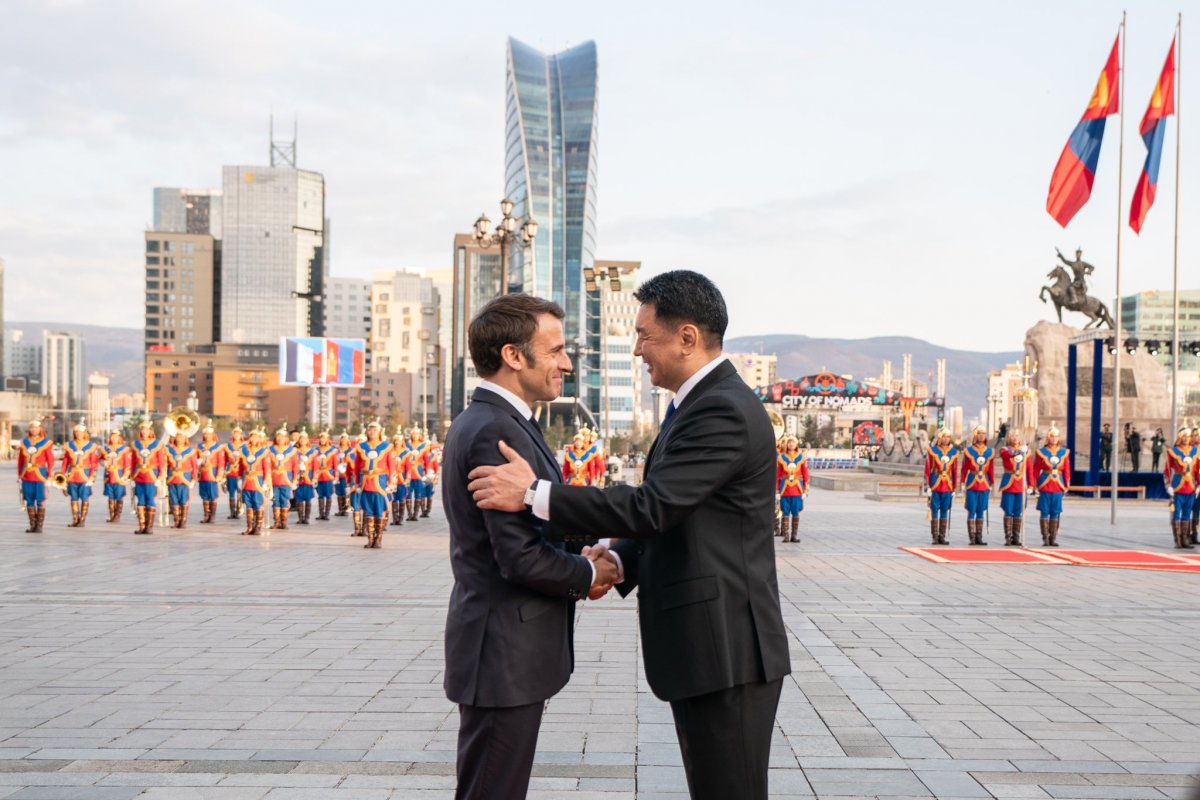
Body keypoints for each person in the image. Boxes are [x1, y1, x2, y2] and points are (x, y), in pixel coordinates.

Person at [467, 274, 790, 800]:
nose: (638, 349)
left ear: (687, 338)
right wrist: (617, 559)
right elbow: (678, 513)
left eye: (644, 335)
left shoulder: (721, 408)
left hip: (727, 647)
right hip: (710, 646)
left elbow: (652, 506)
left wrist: (532, 494)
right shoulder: (694, 404)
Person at [442, 293, 618, 800]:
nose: (567, 364)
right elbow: (518, 556)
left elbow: (537, 523)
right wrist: (590, 574)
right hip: (503, 651)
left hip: (506, 649)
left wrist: (591, 547)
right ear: (514, 356)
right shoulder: (496, 430)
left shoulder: (502, 421)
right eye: (556, 350)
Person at [351, 419, 398, 549]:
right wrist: (356, 482)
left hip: (380, 482)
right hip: (365, 482)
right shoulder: (361, 447)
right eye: (370, 430)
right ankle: (370, 539)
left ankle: (378, 539)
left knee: (379, 511)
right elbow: (356, 466)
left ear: (380, 432)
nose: (372, 432)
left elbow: (392, 466)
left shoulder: (387, 446)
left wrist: (391, 482)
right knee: (368, 511)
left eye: (375, 430)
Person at [1030, 425, 1071, 547]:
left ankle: (1052, 538)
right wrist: (1034, 484)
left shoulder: (1064, 452)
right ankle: (1045, 538)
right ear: (1048, 438)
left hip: (1058, 483)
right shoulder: (1041, 452)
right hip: (1045, 483)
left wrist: (1067, 483)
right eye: (1052, 436)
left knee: (1055, 512)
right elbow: (1036, 469)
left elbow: (1066, 469)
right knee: (1044, 511)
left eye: (1056, 436)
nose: (1054, 439)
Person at [16, 418, 55, 533]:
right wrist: (19, 474)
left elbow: (50, 460)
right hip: (27, 475)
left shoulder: (46, 442)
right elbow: (20, 460)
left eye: (36, 427)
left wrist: (50, 476)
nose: (34, 430)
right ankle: (32, 525)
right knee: (29, 500)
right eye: (32, 427)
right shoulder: (24, 442)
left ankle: (39, 526)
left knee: (40, 500)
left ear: (41, 429)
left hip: (40, 475)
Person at [131, 419, 168, 534]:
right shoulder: (135, 444)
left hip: (151, 476)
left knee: (150, 500)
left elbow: (161, 461)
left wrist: (160, 476)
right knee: (140, 500)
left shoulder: (157, 444)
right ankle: (142, 526)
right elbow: (133, 462)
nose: (144, 432)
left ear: (150, 431)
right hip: (139, 475)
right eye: (143, 429)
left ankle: (149, 527)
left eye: (147, 430)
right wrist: (131, 477)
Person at [1163, 427, 1198, 550]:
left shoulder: (1195, 451)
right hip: (1178, 487)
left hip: (1190, 487)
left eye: (1187, 436)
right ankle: (1178, 540)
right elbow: (1167, 471)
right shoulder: (1173, 451)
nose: (1186, 439)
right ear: (1179, 437)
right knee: (1176, 513)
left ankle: (1185, 540)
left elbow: (1197, 470)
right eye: (1183, 436)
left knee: (1187, 514)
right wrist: (1168, 485)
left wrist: (1199, 485)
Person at [62, 421, 102, 528]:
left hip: (85, 475)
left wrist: (92, 476)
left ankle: (82, 520)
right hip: (72, 475)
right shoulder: (69, 445)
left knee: (84, 497)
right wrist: (62, 475)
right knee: (73, 498)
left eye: (80, 432)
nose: (78, 434)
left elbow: (94, 463)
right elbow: (65, 462)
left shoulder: (91, 446)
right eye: (76, 432)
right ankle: (75, 519)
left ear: (85, 433)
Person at [959, 425, 994, 546]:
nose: (981, 436)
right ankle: (972, 538)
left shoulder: (989, 451)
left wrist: (992, 482)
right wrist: (962, 482)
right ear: (975, 436)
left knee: (981, 510)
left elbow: (991, 469)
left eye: (983, 434)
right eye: (979, 433)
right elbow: (964, 468)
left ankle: (979, 537)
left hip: (984, 483)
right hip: (972, 483)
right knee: (972, 510)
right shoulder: (968, 450)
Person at [924, 429, 959, 545]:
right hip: (935, 484)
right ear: (939, 438)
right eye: (944, 437)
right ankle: (935, 536)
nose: (946, 439)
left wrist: (954, 488)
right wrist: (928, 486)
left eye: (948, 437)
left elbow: (955, 471)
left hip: (947, 485)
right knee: (934, 510)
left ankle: (942, 537)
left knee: (944, 510)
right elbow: (927, 469)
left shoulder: (953, 452)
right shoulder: (932, 451)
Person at [997, 432, 1030, 546]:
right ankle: (1008, 538)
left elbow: (1029, 468)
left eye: (1017, 436)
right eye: (1013, 436)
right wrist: (1020, 451)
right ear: (1009, 438)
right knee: (1008, 510)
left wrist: (1031, 485)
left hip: (1021, 484)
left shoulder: (1026, 451)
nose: (1016, 438)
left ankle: (1016, 538)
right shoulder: (1004, 449)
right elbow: (1007, 455)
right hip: (1009, 484)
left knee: (1018, 511)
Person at [238, 428, 270, 536]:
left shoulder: (263, 451)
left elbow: (266, 468)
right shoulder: (244, 451)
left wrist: (266, 482)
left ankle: (258, 527)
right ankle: (250, 527)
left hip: (258, 481)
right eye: (252, 437)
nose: (253, 439)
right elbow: (241, 467)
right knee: (248, 504)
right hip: (247, 481)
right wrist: (239, 478)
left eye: (256, 437)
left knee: (258, 503)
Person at [776, 434, 808, 543]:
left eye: (793, 442)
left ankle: (794, 536)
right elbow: (778, 475)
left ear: (796, 444)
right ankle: (786, 536)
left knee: (795, 512)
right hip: (784, 489)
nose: (791, 444)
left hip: (797, 489)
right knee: (785, 512)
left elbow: (805, 474)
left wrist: (805, 490)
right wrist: (777, 490)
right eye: (789, 442)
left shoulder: (801, 457)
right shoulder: (781, 457)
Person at [266, 425, 299, 531]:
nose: (280, 438)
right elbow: (267, 465)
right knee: (275, 500)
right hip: (274, 478)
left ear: (286, 438)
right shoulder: (270, 450)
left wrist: (295, 479)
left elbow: (295, 466)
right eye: (278, 436)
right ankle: (277, 522)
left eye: (282, 436)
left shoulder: (292, 450)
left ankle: (284, 522)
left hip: (286, 479)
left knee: (284, 500)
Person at [165, 429, 198, 529]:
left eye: (182, 437)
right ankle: (176, 521)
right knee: (173, 499)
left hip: (185, 478)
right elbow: (165, 464)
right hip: (172, 477)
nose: (180, 439)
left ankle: (183, 521)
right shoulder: (169, 450)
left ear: (185, 439)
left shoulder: (191, 451)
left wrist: (193, 479)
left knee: (184, 499)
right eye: (178, 437)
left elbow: (194, 466)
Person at [196, 421, 226, 524]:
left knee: (213, 495)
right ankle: (206, 516)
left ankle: (212, 516)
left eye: (209, 434)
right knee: (204, 495)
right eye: (205, 434)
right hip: (202, 473)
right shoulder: (200, 446)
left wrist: (219, 475)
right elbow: (195, 460)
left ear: (213, 435)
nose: (207, 436)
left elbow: (221, 463)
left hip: (213, 473)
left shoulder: (218, 447)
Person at [102, 431, 133, 524]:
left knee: (119, 495)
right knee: (110, 496)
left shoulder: (124, 449)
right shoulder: (106, 448)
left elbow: (127, 463)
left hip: (119, 474)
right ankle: (112, 515)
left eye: (116, 437)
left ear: (119, 438)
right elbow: (100, 459)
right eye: (112, 436)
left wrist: (125, 475)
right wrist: (103, 462)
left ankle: (117, 516)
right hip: (108, 474)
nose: (114, 438)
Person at [407, 426, 436, 520]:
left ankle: (415, 514)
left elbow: (426, 461)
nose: (415, 436)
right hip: (408, 473)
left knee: (418, 493)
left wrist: (427, 472)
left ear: (419, 435)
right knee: (408, 494)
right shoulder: (407, 446)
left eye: (417, 434)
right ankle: (409, 514)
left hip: (418, 473)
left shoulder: (423, 446)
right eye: (413, 434)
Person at [314, 430, 339, 521]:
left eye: (324, 438)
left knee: (328, 495)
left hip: (328, 475)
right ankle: (321, 514)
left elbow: (336, 464)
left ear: (328, 439)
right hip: (319, 475)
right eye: (321, 438)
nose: (322, 440)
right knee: (320, 495)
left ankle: (327, 514)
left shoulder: (333, 451)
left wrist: (336, 476)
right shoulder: (316, 451)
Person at [293, 428, 317, 525]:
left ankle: (306, 518)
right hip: (298, 477)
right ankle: (300, 517)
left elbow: (315, 466)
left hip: (308, 477)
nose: (302, 440)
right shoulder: (294, 451)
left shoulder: (313, 452)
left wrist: (314, 477)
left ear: (307, 440)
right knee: (298, 498)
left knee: (308, 498)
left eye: (304, 438)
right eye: (301, 438)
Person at [221, 426, 246, 519]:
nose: (236, 435)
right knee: (231, 492)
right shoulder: (228, 446)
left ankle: (239, 510)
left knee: (240, 492)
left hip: (240, 472)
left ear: (241, 435)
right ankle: (232, 512)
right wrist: (223, 470)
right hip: (230, 472)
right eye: (235, 433)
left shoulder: (245, 446)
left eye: (238, 434)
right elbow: (224, 459)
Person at [389, 427, 409, 526]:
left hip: (402, 478)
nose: (397, 442)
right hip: (392, 478)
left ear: (402, 442)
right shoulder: (390, 452)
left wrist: (407, 478)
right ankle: (394, 518)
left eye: (399, 440)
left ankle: (400, 519)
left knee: (401, 498)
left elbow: (409, 467)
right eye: (396, 440)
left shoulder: (406, 453)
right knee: (393, 499)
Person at [334, 431, 354, 517]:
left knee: (347, 492)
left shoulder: (351, 450)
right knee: (339, 492)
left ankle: (347, 509)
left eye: (345, 439)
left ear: (348, 440)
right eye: (342, 439)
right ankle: (340, 510)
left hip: (347, 474)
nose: (343, 441)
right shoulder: (336, 450)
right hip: (338, 474)